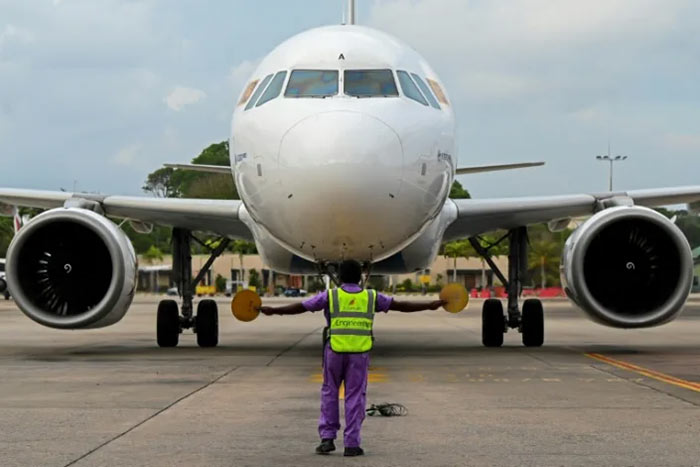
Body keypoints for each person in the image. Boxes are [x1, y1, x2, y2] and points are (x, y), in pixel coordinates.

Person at [259, 260, 445, 457]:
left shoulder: (331, 295)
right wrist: (430, 305)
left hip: (334, 352)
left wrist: (274, 311)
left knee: (330, 393)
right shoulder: (371, 296)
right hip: (359, 354)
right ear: (361, 277)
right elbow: (401, 305)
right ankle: (352, 444)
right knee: (355, 397)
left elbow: (302, 306)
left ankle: (327, 439)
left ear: (339, 277)